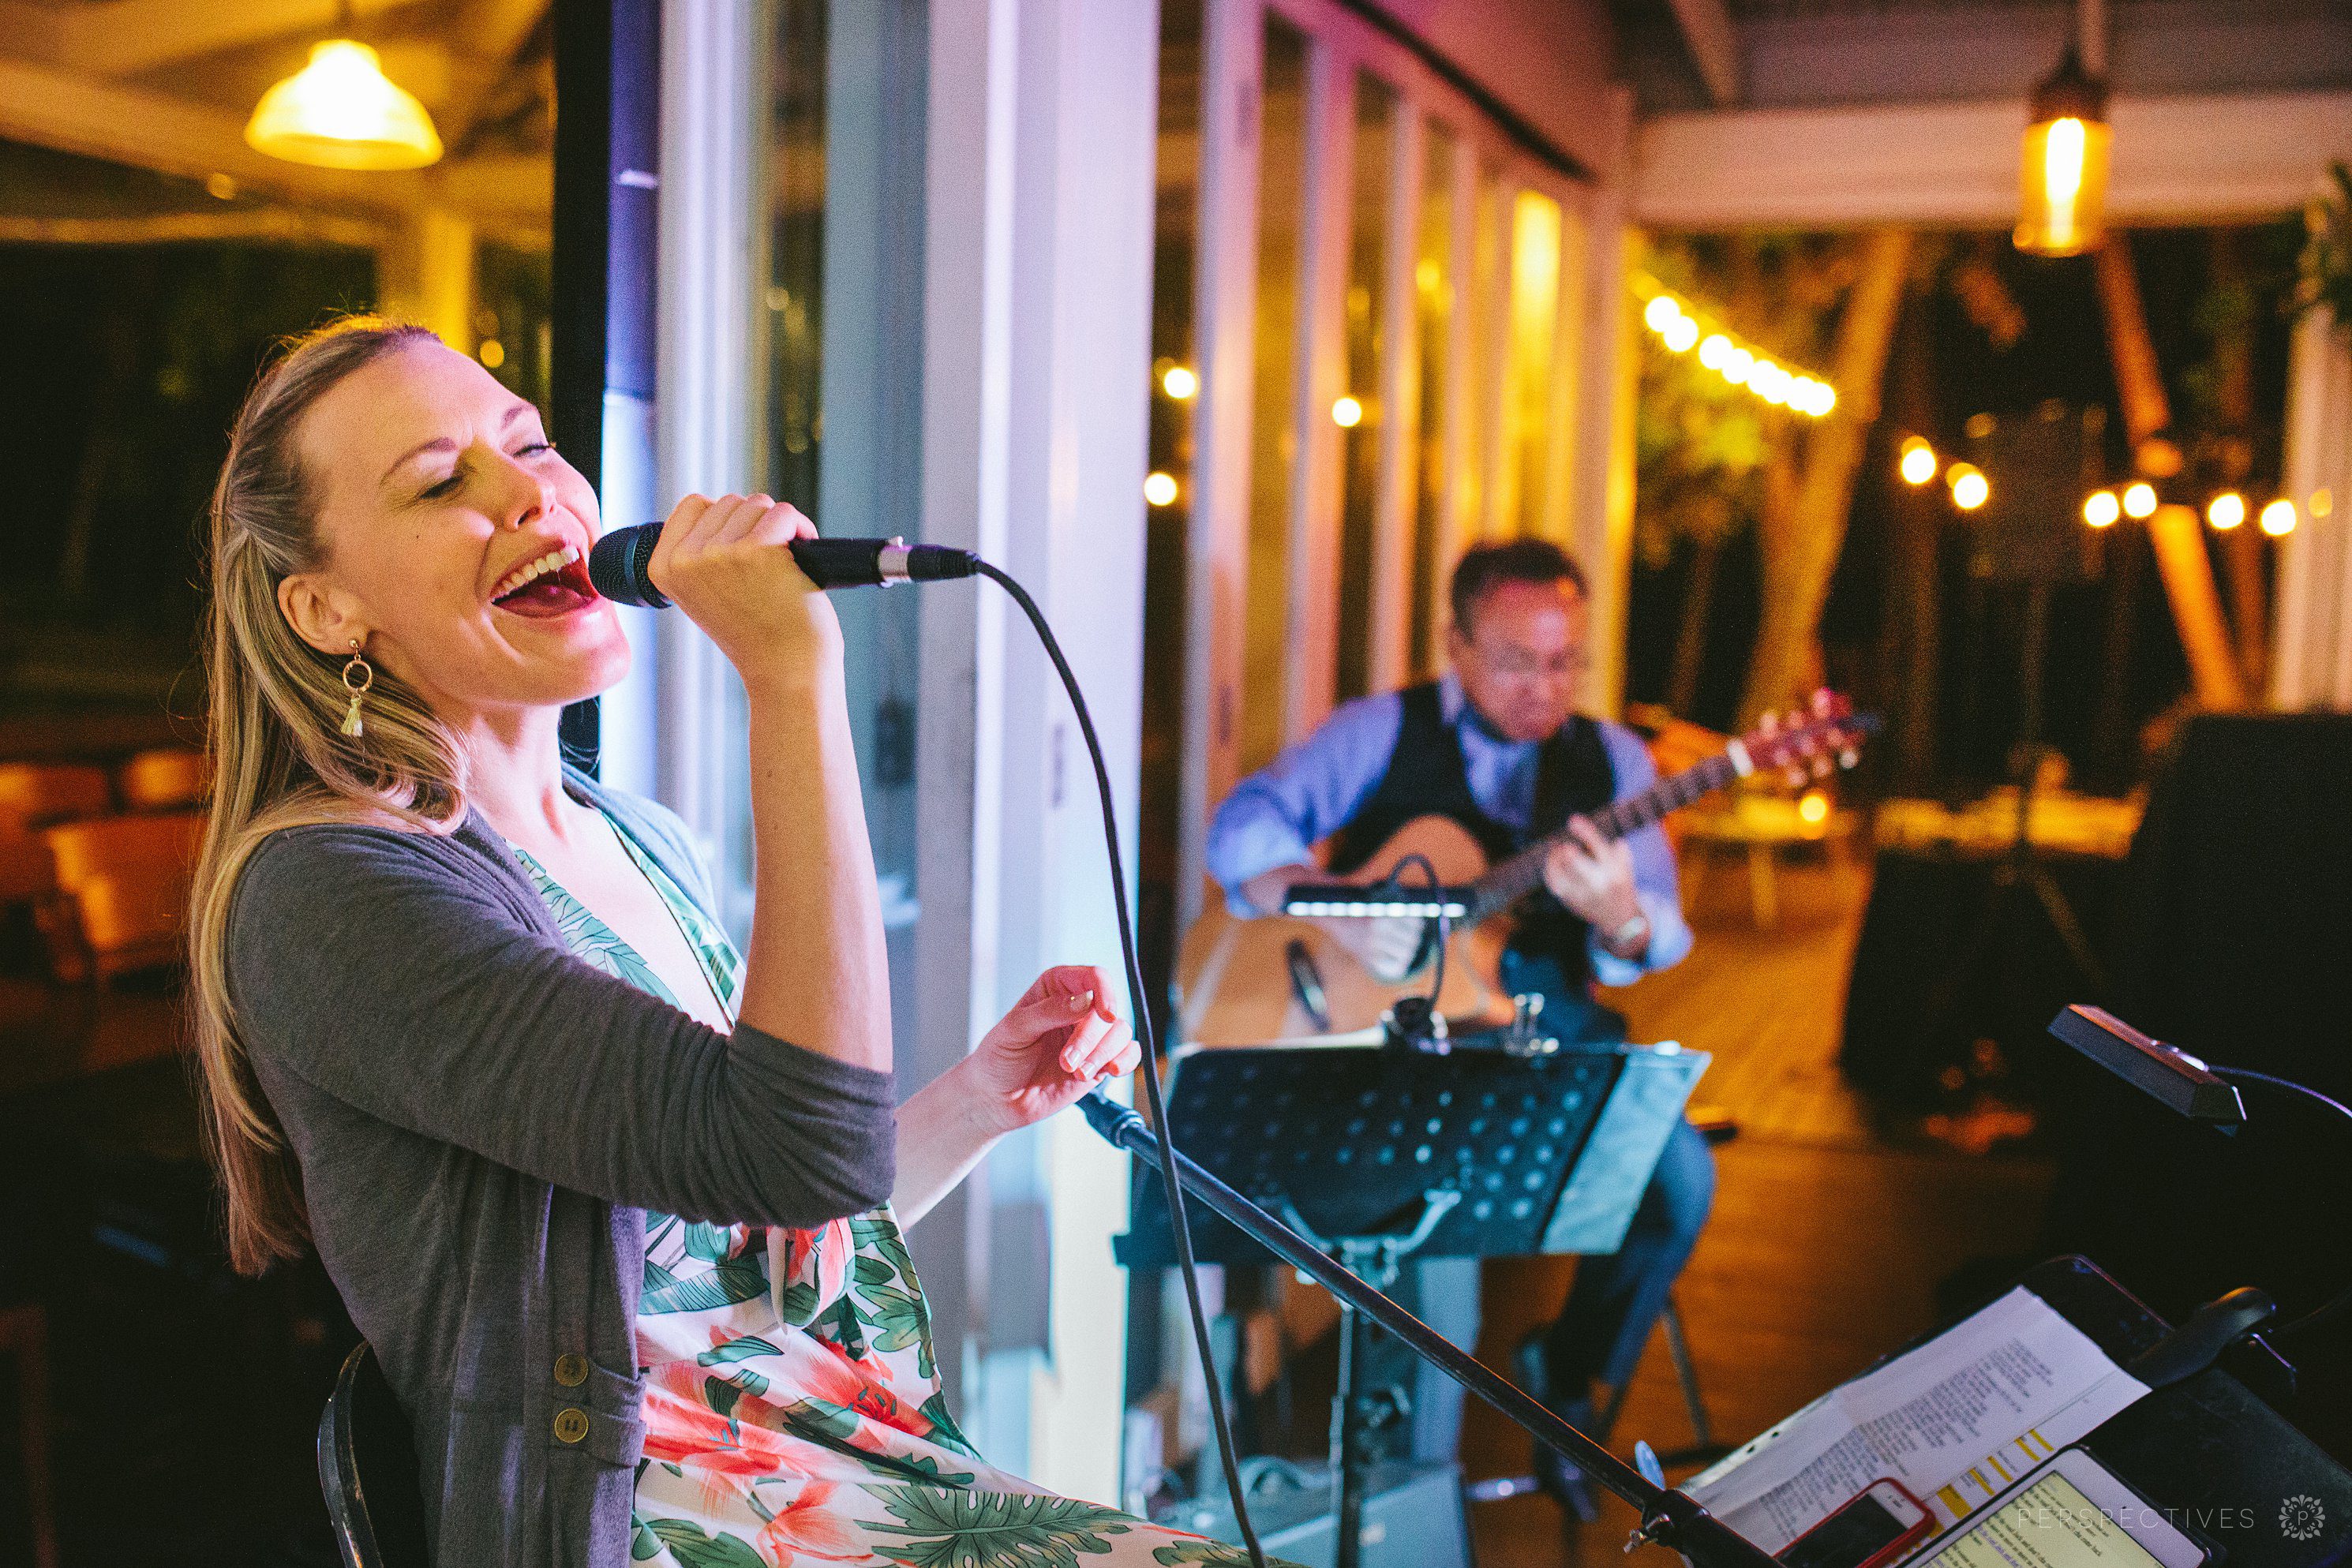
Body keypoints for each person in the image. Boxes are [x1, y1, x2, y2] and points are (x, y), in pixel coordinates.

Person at [190, 318, 1271, 1567]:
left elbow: (744, 1245)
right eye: (442, 483)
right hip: (658, 1525)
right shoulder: (332, 891)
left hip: (845, 1474)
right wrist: (793, 678)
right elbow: (802, 1144)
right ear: (324, 608)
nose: (531, 491)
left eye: (529, 442)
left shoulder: (635, 834)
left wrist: (973, 1100)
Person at [1204, 538, 1710, 1519]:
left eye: (1564, 662)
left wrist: (1622, 919)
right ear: (1458, 645)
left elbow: (1660, 929)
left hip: (1549, 1030)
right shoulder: (1378, 731)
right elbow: (1242, 831)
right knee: (1440, 1269)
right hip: (1408, 1045)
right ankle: (1412, 1511)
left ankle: (1567, 1381)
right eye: (1518, 660)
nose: (1543, 686)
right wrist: (1344, 899)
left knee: (1680, 1182)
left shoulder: (1614, 760)